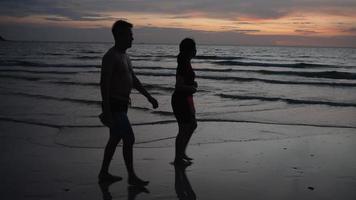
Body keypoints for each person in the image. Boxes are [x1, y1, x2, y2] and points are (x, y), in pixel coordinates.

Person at [99, 20, 158, 186]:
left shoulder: (125, 56)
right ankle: (131, 176)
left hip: (123, 105)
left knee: (115, 138)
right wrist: (107, 110)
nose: (132, 38)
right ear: (120, 35)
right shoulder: (110, 57)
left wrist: (149, 96)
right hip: (114, 105)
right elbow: (104, 84)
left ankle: (104, 173)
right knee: (129, 138)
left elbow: (133, 80)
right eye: (130, 35)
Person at [171, 38, 198, 165]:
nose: (196, 50)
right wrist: (192, 88)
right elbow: (178, 86)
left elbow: (184, 82)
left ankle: (181, 153)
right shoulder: (183, 64)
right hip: (181, 100)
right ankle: (178, 158)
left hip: (187, 99)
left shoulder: (186, 62)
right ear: (189, 50)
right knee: (183, 129)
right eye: (194, 48)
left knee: (192, 125)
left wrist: (192, 84)